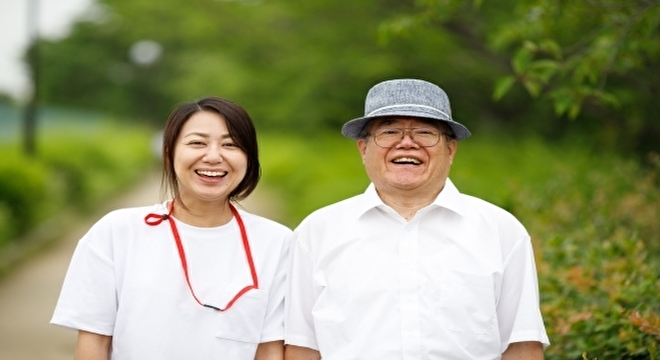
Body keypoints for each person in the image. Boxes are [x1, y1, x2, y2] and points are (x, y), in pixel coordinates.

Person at [284, 79, 550, 359]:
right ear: (363, 149)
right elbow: (302, 347)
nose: (407, 144)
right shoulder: (317, 231)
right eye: (389, 131)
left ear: (451, 150)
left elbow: (522, 346)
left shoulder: (501, 230)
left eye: (425, 132)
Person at [51, 96, 291, 360]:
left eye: (230, 145)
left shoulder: (278, 242)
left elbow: (269, 349)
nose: (213, 156)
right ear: (168, 154)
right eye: (197, 143)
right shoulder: (116, 232)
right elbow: (93, 344)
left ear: (249, 158)